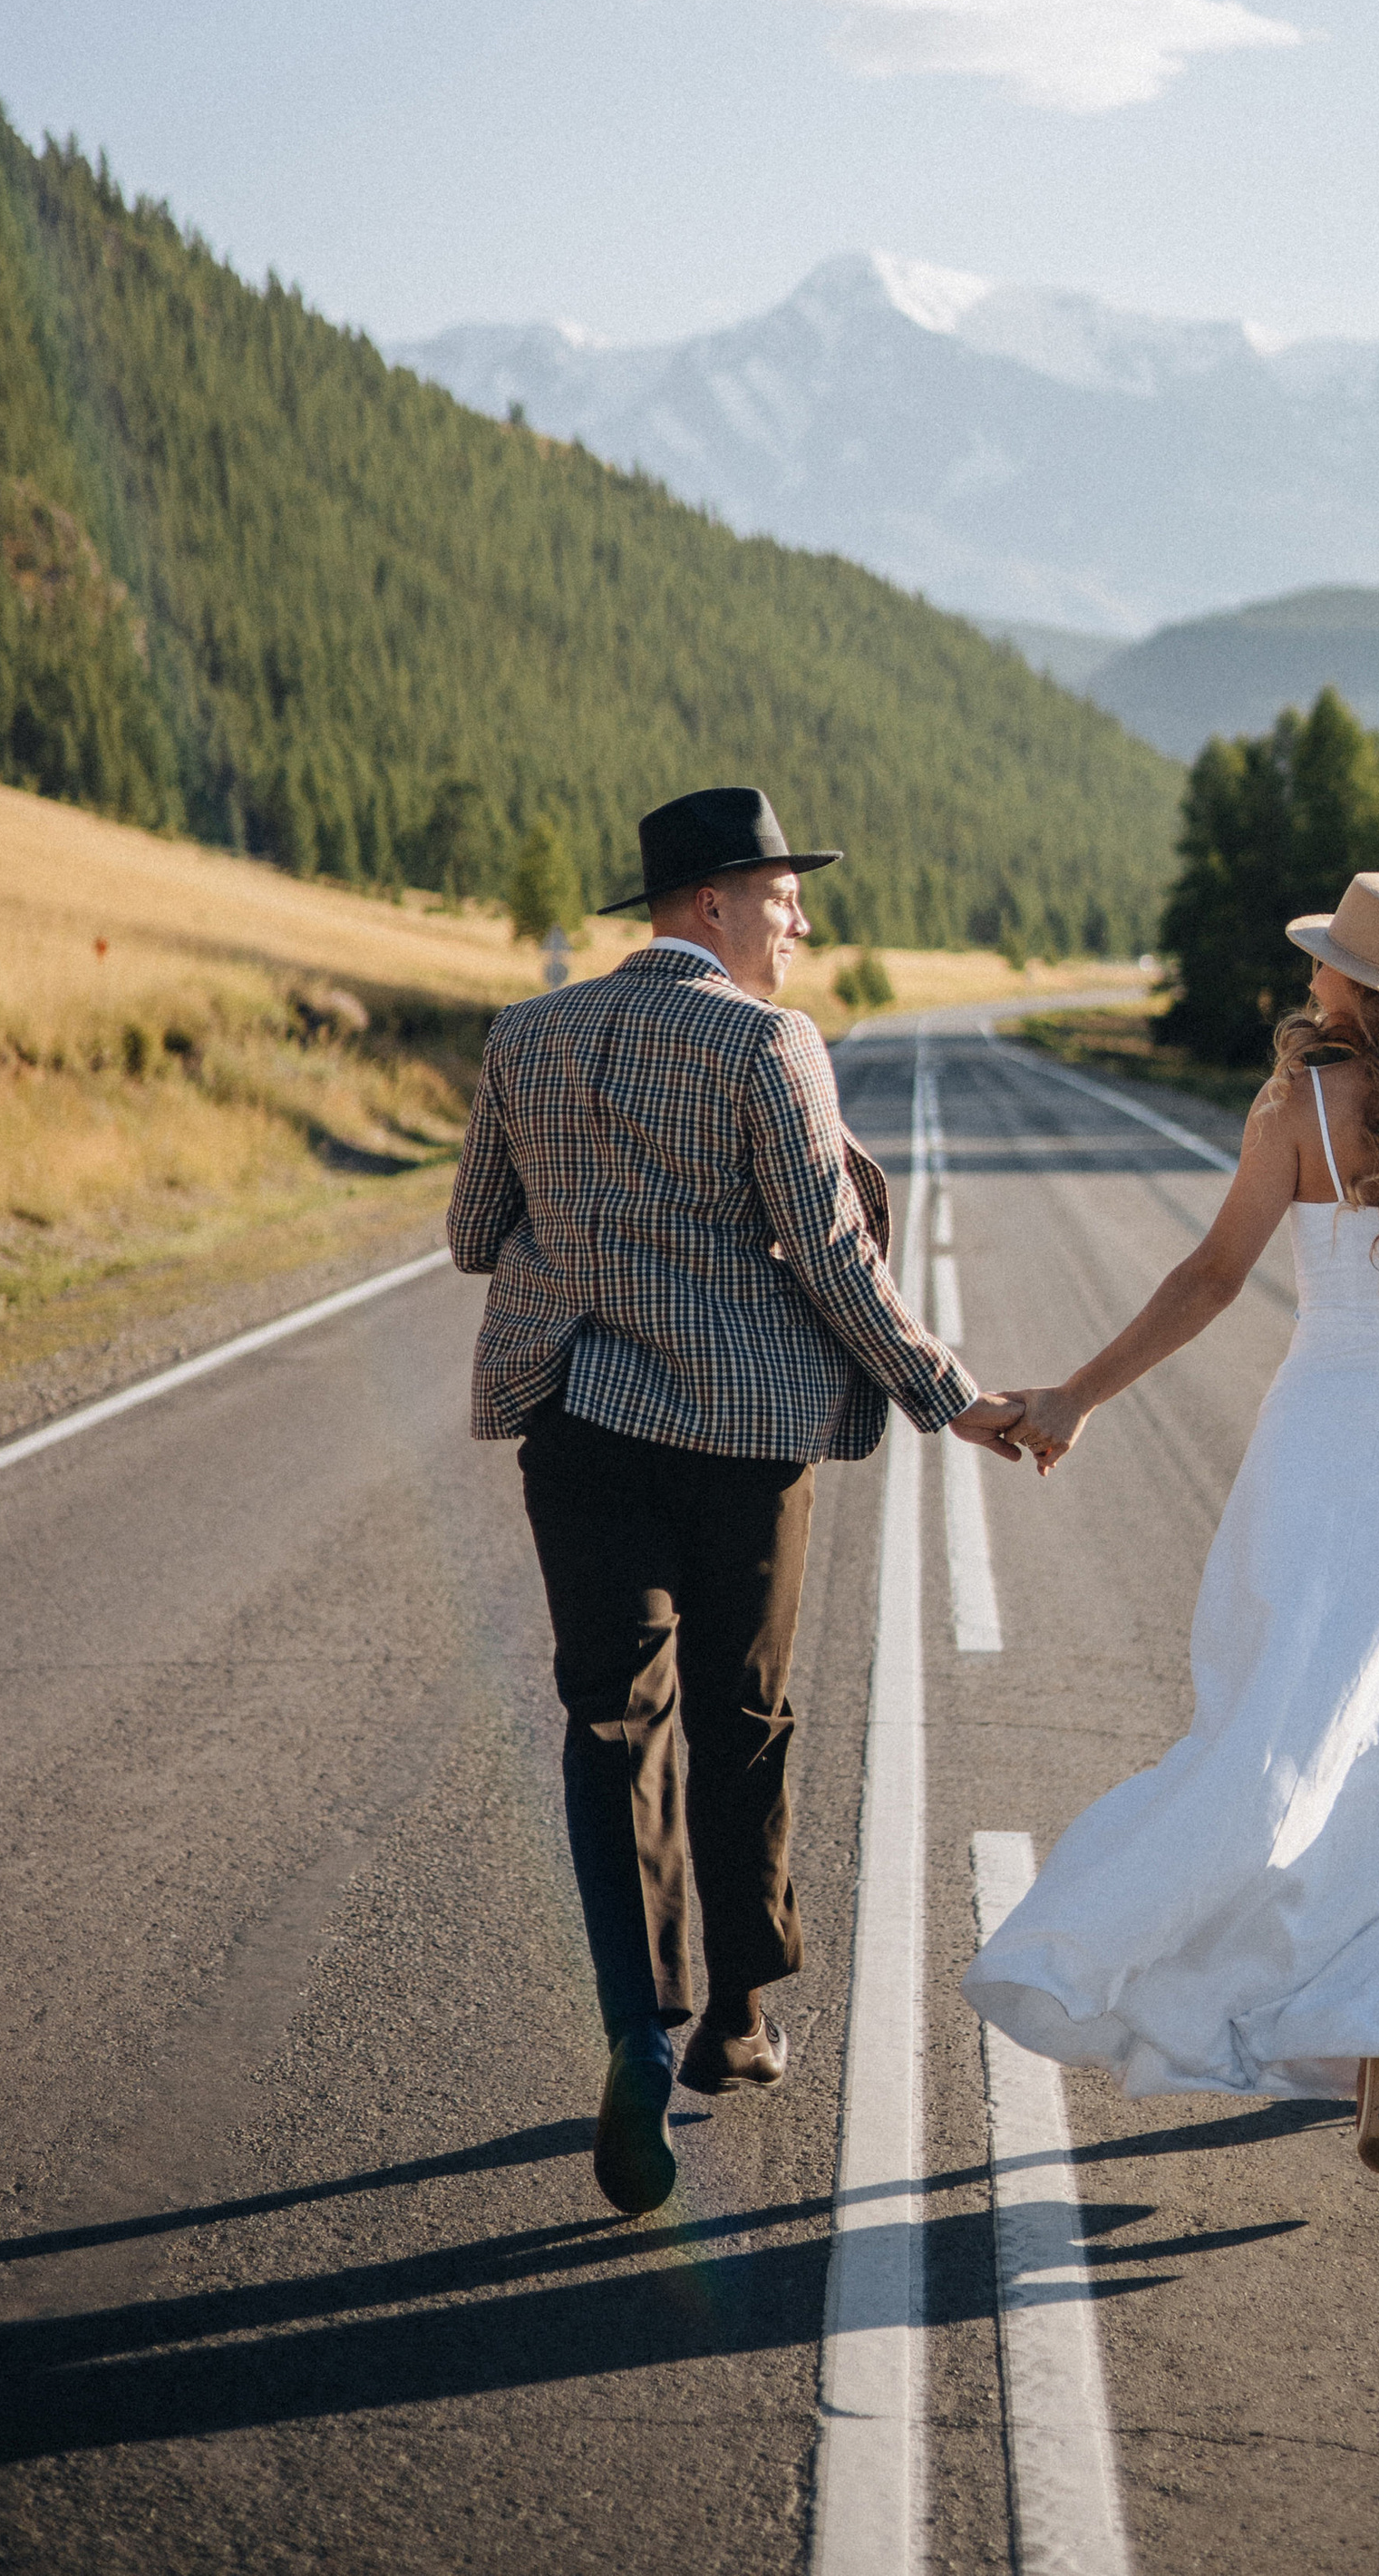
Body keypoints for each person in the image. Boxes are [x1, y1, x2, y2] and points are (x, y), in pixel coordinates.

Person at [965, 870, 1379, 2178]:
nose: (1311, 979)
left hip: (1331, 1440)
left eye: (1330, 964)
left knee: (1299, 1730)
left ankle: (1191, 1960)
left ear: (1366, 990)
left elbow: (1208, 1276)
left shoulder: (1305, 1107)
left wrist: (1076, 1398)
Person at [449, 784, 1024, 2218]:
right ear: (709, 902)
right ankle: (742, 2016)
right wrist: (954, 1394)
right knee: (742, 1713)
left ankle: (640, 2032)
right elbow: (833, 1260)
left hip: (580, 1430)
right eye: (781, 893)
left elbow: (472, 1234)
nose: (801, 916)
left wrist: (589, 1230)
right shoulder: (770, 1043)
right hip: (740, 1441)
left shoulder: (530, 1036)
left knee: (611, 1720)